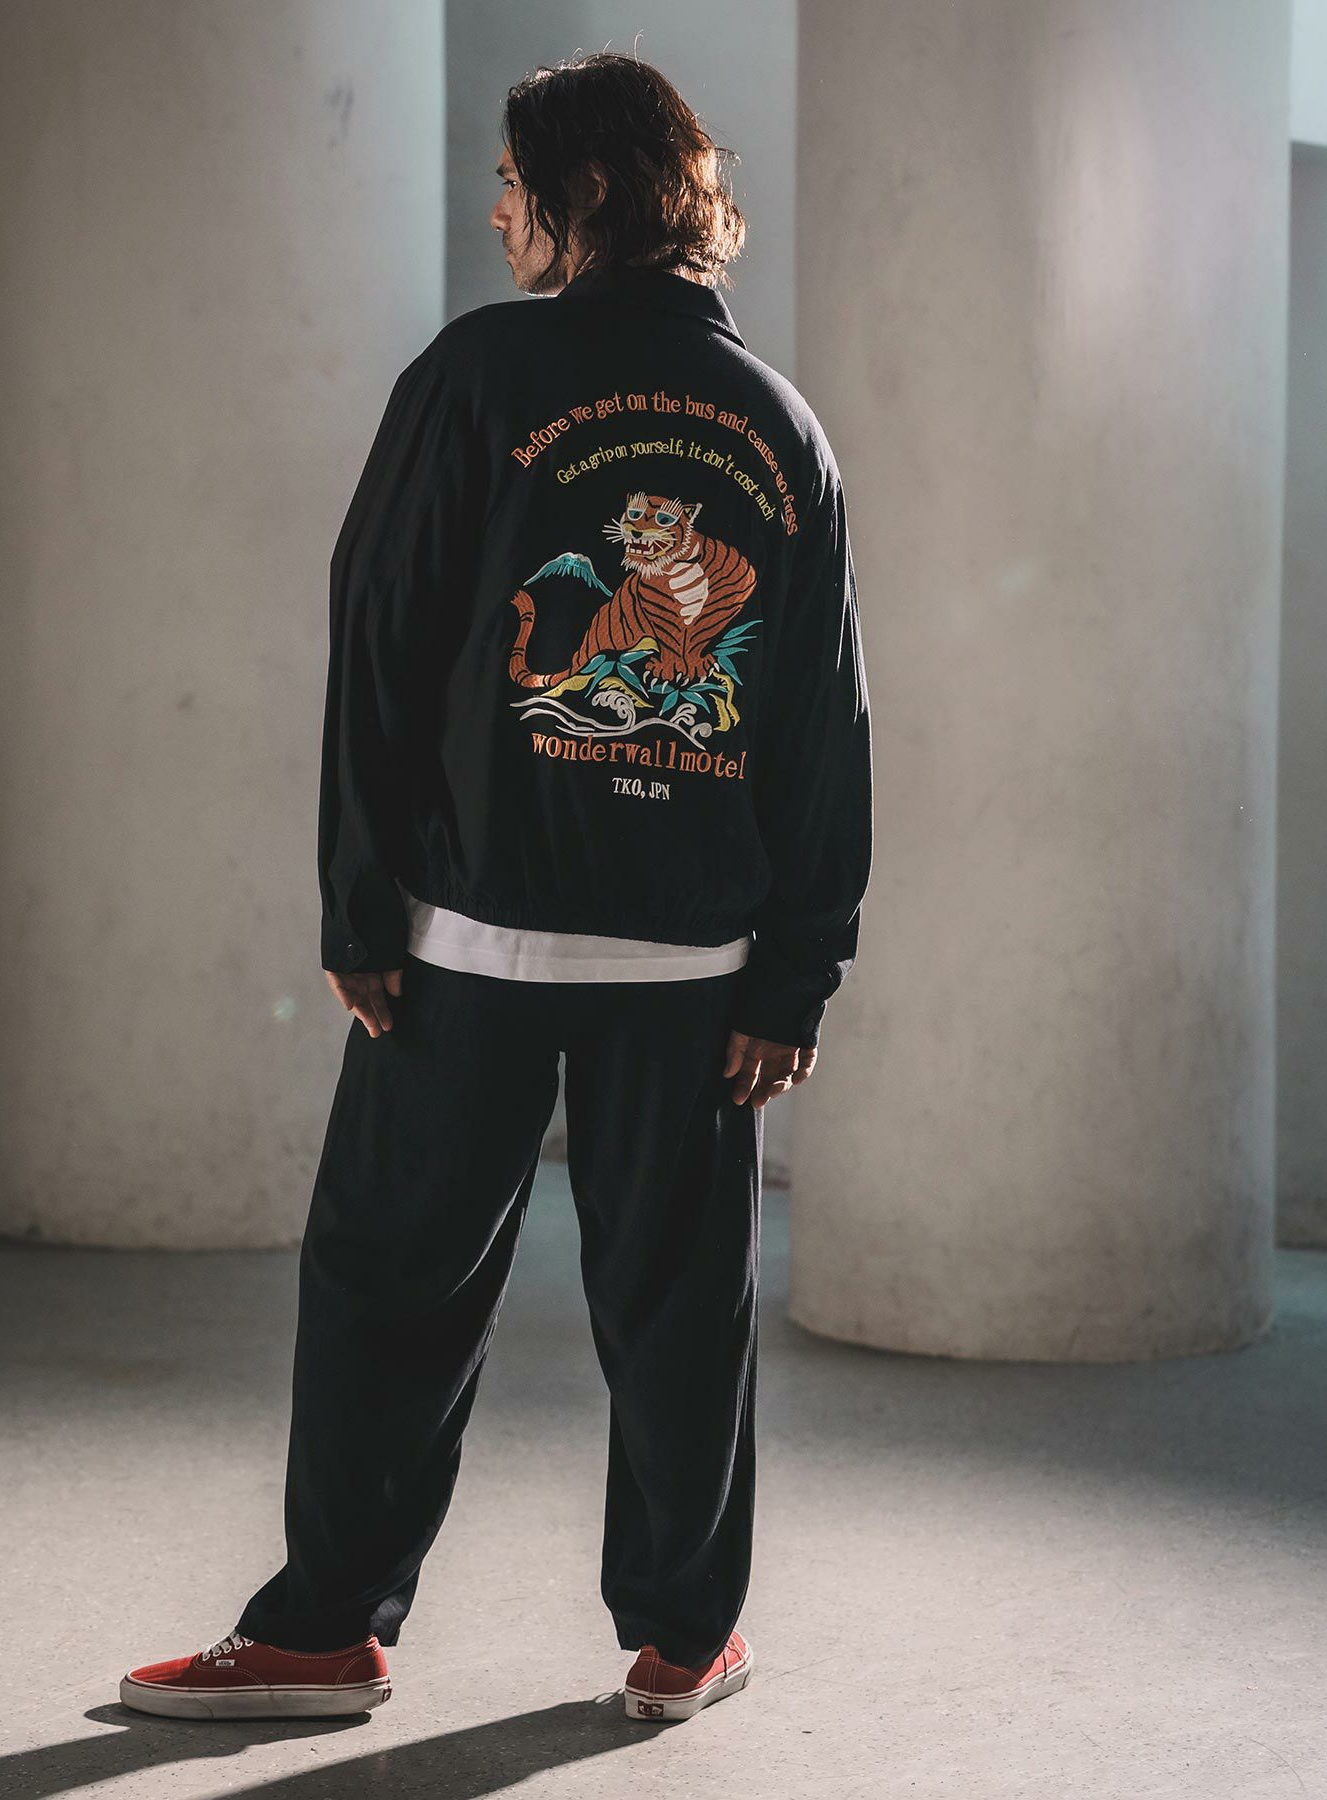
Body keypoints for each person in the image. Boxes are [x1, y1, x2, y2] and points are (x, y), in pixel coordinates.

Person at [120, 49, 872, 1727]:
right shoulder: (781, 424)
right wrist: (792, 974)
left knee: (389, 1286)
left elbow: (377, 640)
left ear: (583, 194)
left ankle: (324, 1632)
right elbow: (827, 721)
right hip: (695, 965)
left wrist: (357, 902)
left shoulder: (477, 373)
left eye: (515, 184)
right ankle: (685, 1642)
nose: (497, 213)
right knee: (679, 1314)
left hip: (466, 941)